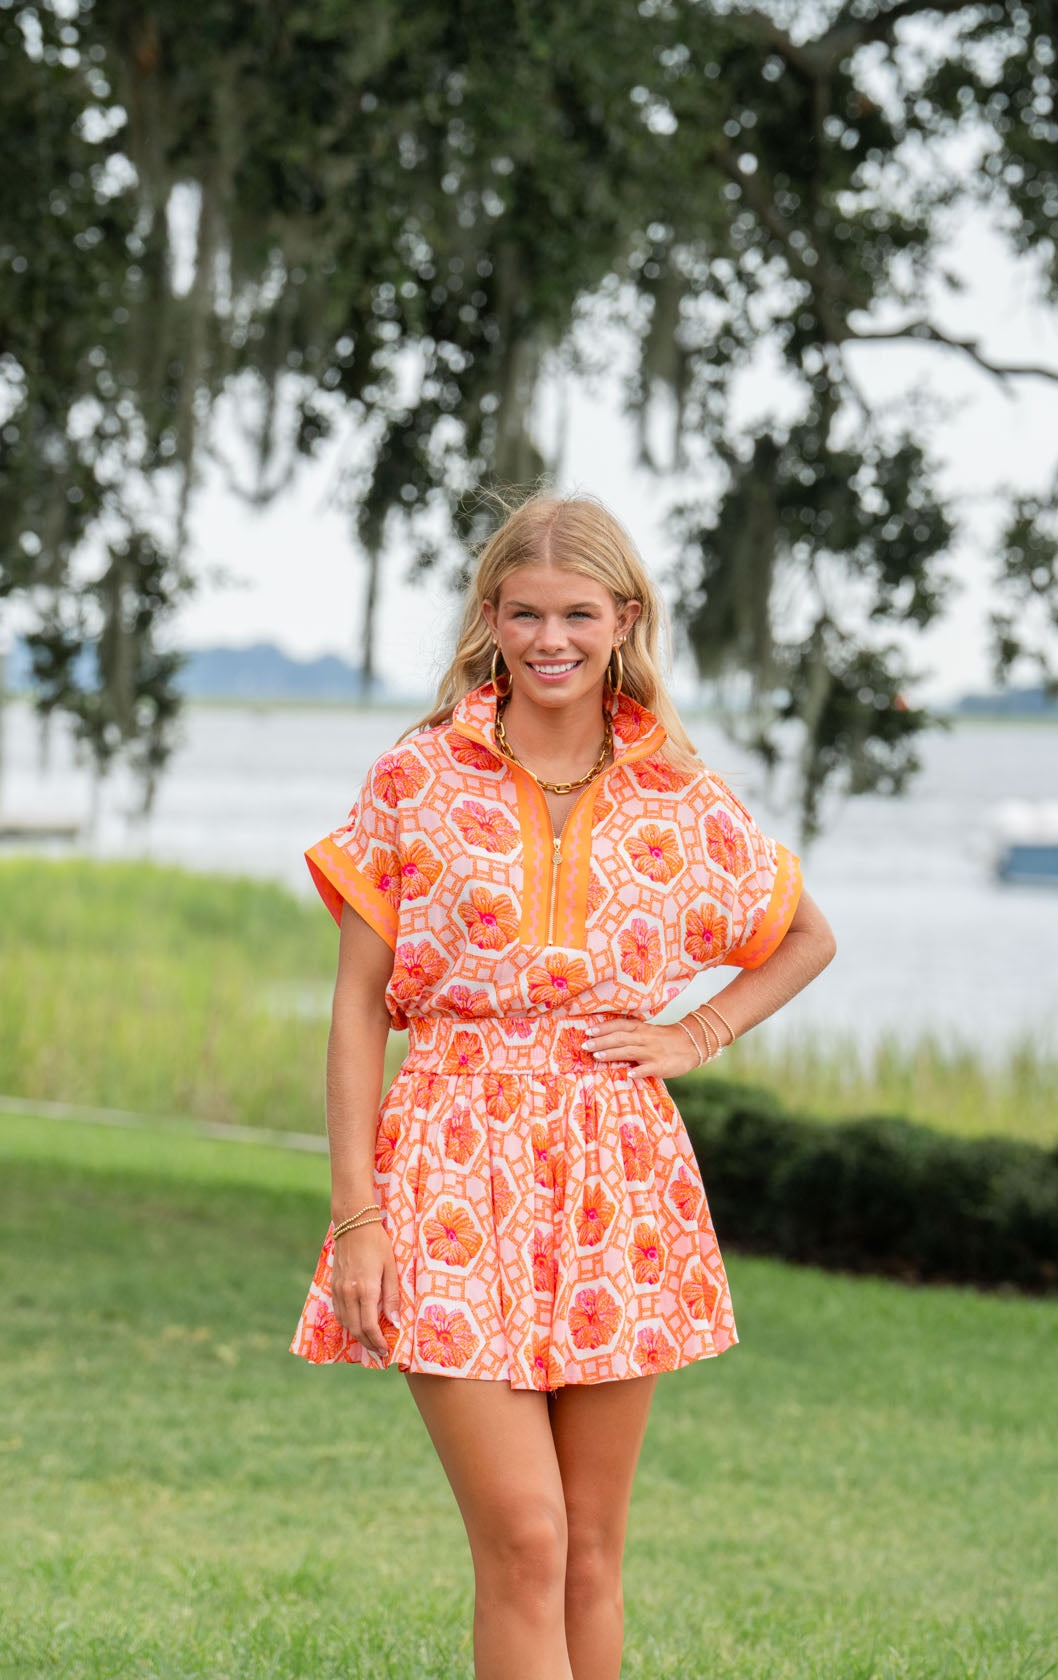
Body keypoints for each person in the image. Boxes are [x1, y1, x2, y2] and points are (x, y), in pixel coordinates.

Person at [290, 491, 836, 1680]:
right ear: (490, 617)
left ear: (623, 617)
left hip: (615, 1174)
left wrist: (699, 1031)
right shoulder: (416, 778)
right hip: (443, 1165)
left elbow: (804, 936)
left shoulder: (677, 794)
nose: (552, 638)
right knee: (526, 1538)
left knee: (591, 1548)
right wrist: (356, 1214)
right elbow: (352, 1009)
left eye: (578, 612)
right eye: (526, 611)